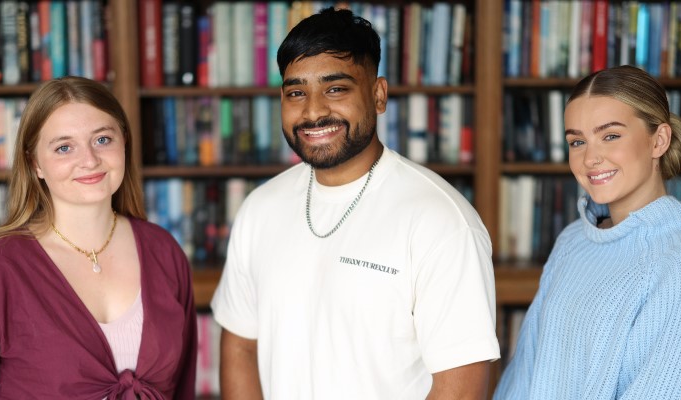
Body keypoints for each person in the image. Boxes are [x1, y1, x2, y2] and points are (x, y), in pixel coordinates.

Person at [211, 7, 499, 399]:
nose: (313, 111)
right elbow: (241, 345)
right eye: (297, 92)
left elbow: (460, 387)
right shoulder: (259, 208)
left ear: (378, 95)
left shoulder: (440, 220)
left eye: (335, 89)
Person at [0, 76, 196, 399]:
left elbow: (183, 386)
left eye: (102, 140)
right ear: (35, 163)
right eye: (64, 147)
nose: (89, 160)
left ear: (124, 141)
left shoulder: (163, 251)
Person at [493, 65, 681, 399]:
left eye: (610, 135)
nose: (590, 158)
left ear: (659, 140)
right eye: (577, 141)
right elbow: (525, 373)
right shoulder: (572, 241)